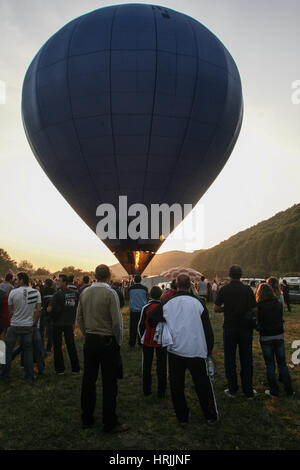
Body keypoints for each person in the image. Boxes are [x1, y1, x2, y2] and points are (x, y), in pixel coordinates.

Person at [149, 274, 218, 426]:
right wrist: (209, 348)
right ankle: (210, 415)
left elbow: (152, 318)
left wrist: (167, 320)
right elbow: (208, 329)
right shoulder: (199, 302)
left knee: (177, 385)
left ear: (176, 285)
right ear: (190, 285)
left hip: (175, 349)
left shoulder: (168, 302)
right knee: (202, 384)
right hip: (197, 349)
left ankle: (182, 417)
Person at [76, 264, 128, 433]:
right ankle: (109, 422)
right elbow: (116, 322)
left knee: (88, 380)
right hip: (107, 342)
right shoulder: (110, 293)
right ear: (108, 276)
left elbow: (79, 318)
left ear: (95, 275)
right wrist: (118, 342)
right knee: (109, 383)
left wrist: (87, 334)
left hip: (90, 340)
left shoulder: (84, 292)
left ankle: (87, 418)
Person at [214, 265, 257, 399]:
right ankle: (248, 390)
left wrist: (225, 309)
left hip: (230, 327)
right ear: (241, 275)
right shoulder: (247, 289)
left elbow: (216, 308)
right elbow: (255, 309)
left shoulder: (224, 289)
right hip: (245, 328)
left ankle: (232, 389)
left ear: (230, 275)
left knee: (230, 359)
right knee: (246, 358)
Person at [0, 272, 41, 382]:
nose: (15, 281)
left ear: (22, 280)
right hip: (28, 326)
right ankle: (29, 376)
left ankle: (5, 375)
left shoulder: (13, 292)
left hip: (14, 325)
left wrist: (15, 315)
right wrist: (34, 323)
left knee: (8, 350)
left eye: (17, 279)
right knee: (28, 350)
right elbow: (38, 310)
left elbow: (10, 310)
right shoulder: (36, 292)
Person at [256, 283, 294, 398]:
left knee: (270, 365)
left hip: (266, 337)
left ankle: (274, 391)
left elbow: (258, 322)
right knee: (282, 364)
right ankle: (289, 390)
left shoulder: (259, 306)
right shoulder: (277, 303)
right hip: (278, 335)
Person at [47, 274, 80, 375]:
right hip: (69, 323)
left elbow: (49, 309)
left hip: (57, 323)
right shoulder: (75, 294)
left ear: (65, 282)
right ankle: (75, 368)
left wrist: (47, 310)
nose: (57, 283)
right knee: (71, 346)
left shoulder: (57, 294)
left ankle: (60, 369)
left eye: (59, 281)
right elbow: (76, 307)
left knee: (57, 346)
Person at [138, 286, 167, 398]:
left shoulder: (146, 307)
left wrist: (141, 338)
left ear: (149, 295)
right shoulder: (164, 307)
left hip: (148, 339)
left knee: (147, 364)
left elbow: (140, 325)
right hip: (161, 339)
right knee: (162, 364)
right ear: (161, 295)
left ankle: (146, 389)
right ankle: (162, 390)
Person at [128, 275, 148, 348]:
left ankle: (132, 343)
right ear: (141, 280)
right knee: (142, 326)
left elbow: (128, 297)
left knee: (133, 327)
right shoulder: (145, 288)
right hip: (142, 310)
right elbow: (146, 298)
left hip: (133, 310)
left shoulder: (130, 288)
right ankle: (141, 342)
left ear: (134, 280)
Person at [40, 278, 55, 352]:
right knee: (50, 332)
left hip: (44, 313)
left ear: (46, 284)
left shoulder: (42, 291)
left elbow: (40, 302)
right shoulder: (54, 291)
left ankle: (41, 346)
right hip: (52, 313)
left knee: (42, 330)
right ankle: (49, 347)